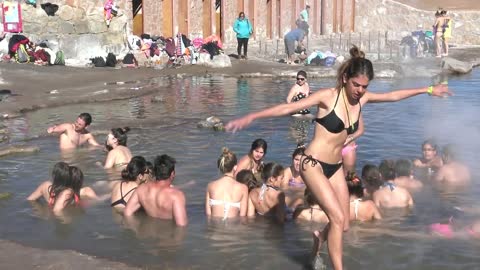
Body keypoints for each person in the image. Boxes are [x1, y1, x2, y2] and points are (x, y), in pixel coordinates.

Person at [225, 45, 449, 270]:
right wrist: (253, 116)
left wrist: (428, 90)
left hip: (335, 167)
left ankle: (318, 241)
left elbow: (393, 96)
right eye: (356, 85)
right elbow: (287, 108)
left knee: (343, 226)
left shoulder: (362, 100)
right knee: (337, 218)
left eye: (364, 86)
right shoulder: (327, 97)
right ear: (345, 78)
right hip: (312, 164)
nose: (360, 90)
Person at [124, 154, 188, 227]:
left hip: (147, 232)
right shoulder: (176, 196)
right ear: (172, 173)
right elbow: (181, 225)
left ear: (154, 172)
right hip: (166, 235)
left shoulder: (141, 189)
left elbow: (127, 213)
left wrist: (138, 230)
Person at [27, 162, 98, 213]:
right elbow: (56, 211)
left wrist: (41, 210)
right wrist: (66, 220)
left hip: (50, 209)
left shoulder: (45, 185)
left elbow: (30, 199)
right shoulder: (68, 192)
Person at [205, 148, 249, 220]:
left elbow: (208, 215)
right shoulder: (243, 188)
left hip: (214, 229)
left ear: (220, 168)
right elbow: (242, 217)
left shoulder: (210, 186)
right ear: (235, 167)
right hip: (233, 229)